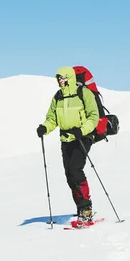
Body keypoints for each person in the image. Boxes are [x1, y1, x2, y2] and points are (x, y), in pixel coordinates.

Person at [36, 66, 99, 222]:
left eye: (63, 78)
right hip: (66, 139)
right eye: (58, 78)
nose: (60, 81)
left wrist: (83, 130)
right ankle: (80, 208)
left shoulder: (84, 93)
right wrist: (45, 128)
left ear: (70, 78)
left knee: (75, 169)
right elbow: (52, 118)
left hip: (82, 137)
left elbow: (94, 116)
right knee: (69, 175)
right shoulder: (58, 97)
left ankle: (86, 208)